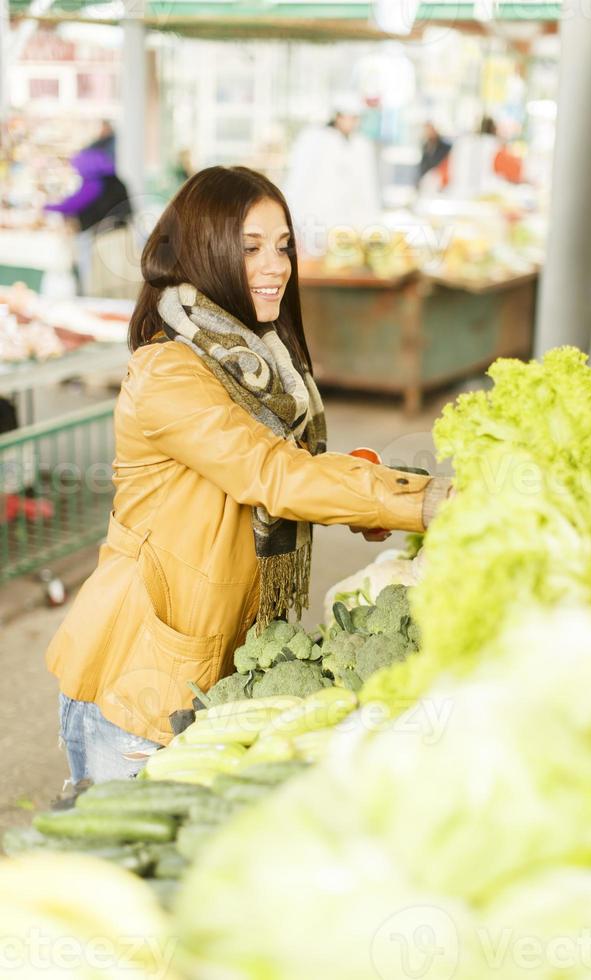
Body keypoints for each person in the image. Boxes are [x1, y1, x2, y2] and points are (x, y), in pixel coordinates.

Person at [46, 166, 448, 785]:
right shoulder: (171, 373)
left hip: (219, 668)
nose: (277, 266)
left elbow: (283, 463)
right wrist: (422, 502)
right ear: (206, 254)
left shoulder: (251, 359)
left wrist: (363, 485)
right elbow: (271, 472)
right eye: (251, 248)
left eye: (284, 245)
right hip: (142, 686)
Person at [284, 95, 380, 254]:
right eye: (347, 117)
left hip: (349, 222)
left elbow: (367, 187)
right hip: (317, 216)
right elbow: (301, 179)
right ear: (337, 117)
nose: (351, 122)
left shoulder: (361, 145)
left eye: (355, 118)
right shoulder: (315, 140)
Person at [44, 140, 131, 294]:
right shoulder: (115, 181)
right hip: (121, 237)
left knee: (97, 284)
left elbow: (72, 204)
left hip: (105, 240)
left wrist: (46, 206)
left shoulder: (96, 183)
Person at [417, 121, 452, 185]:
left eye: (431, 130)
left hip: (440, 179)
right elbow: (423, 166)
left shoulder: (445, 147)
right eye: (427, 131)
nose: (429, 133)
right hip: (428, 180)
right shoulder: (425, 146)